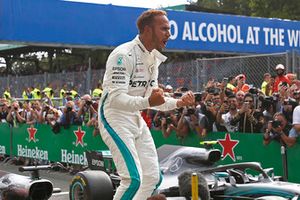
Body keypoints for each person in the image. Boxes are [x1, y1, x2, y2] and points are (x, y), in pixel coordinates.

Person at [98, 9, 195, 200]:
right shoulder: (123, 54)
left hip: (134, 117)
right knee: (133, 180)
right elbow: (116, 99)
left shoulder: (153, 59)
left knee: (152, 178)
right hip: (114, 116)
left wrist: (179, 102)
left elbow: (155, 101)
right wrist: (147, 101)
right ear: (148, 30)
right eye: (164, 29)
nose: (169, 33)